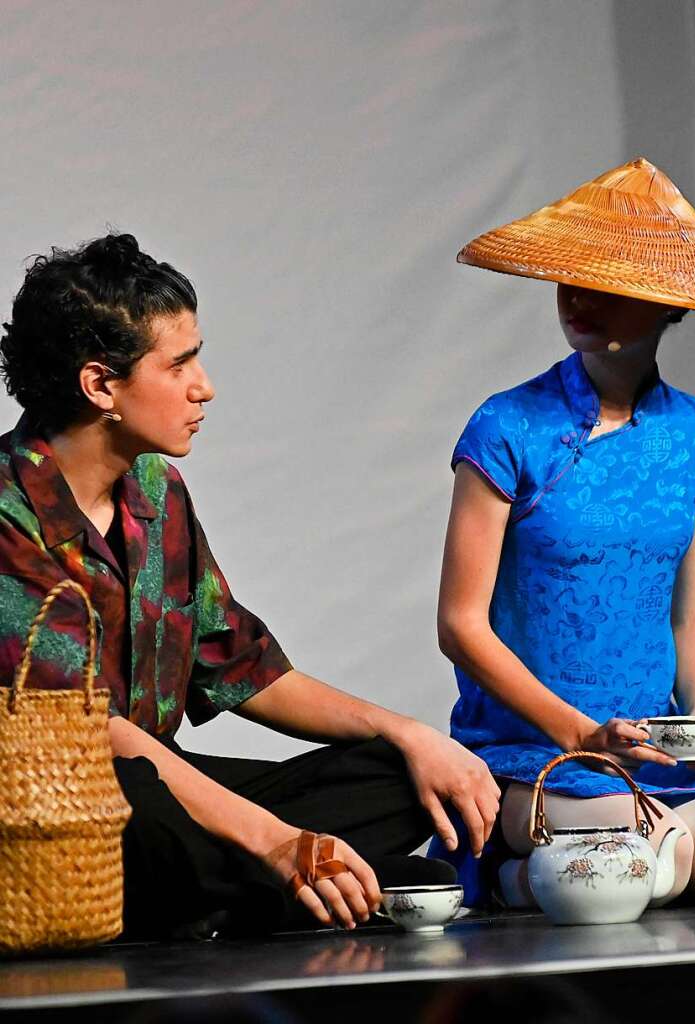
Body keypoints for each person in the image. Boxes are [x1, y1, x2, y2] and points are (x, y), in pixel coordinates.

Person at [0, 233, 500, 939]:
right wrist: (271, 838)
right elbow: (95, 735)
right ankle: (276, 886)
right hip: (64, 802)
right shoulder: (7, 515)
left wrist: (411, 734)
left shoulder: (157, 491)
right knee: (141, 805)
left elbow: (240, 667)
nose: (204, 386)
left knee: (397, 775)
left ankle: (240, 896)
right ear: (100, 385)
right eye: (179, 365)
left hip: (166, 785)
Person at [431, 158, 695, 908]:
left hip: (648, 751)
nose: (578, 297)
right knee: (655, 854)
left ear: (666, 303)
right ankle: (506, 874)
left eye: (607, 281)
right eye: (569, 276)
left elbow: (692, 615)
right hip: (533, 754)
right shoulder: (508, 425)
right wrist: (578, 733)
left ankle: (534, 883)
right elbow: (459, 625)